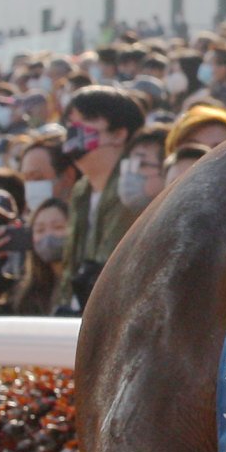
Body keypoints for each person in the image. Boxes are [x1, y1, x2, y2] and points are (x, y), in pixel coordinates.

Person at [51, 86, 146, 315]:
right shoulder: (81, 192)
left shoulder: (134, 190)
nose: (74, 130)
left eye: (86, 120)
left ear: (118, 134)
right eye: (71, 122)